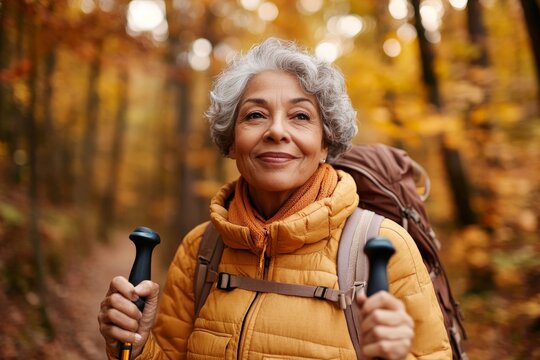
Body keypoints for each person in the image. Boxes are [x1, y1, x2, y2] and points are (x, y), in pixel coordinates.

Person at [98, 38, 451, 359]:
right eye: (255, 115)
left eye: (300, 116)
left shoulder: (384, 249)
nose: (277, 131)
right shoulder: (200, 250)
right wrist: (135, 345)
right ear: (232, 141)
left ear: (326, 143)